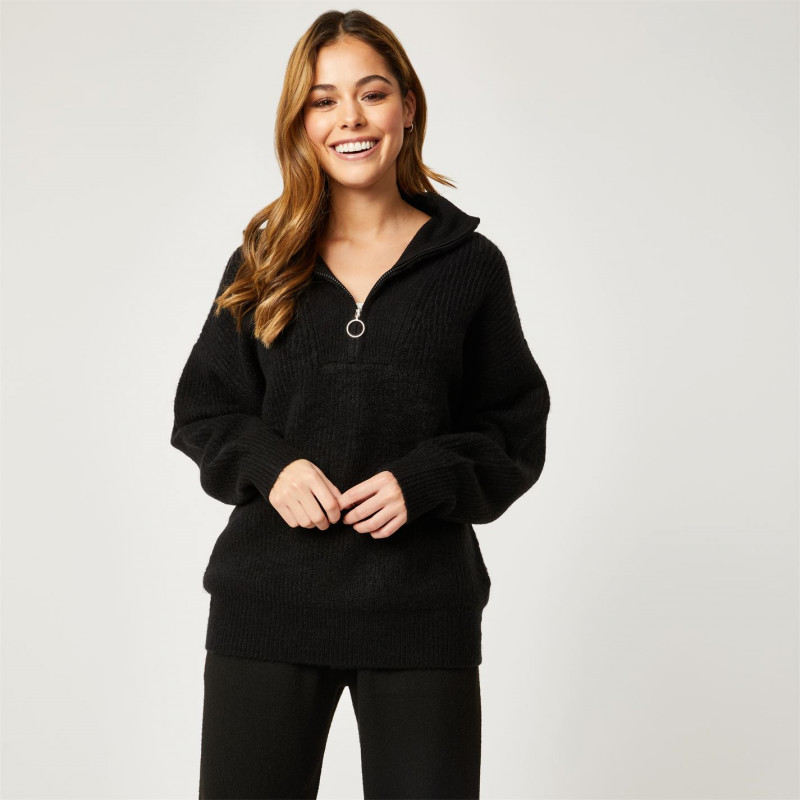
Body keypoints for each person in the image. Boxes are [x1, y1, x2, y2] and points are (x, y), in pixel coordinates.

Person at [170, 8, 550, 799]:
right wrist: (270, 466)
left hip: (421, 614)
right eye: (324, 100)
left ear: (407, 107)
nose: (349, 118)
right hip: (268, 608)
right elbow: (204, 410)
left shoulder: (470, 267)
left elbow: (513, 429)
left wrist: (426, 479)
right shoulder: (263, 260)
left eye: (371, 94)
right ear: (301, 122)